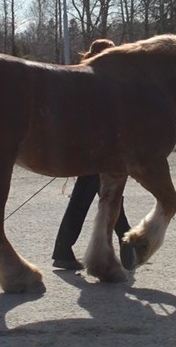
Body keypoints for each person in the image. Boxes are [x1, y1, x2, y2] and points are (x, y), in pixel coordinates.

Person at [52, 39, 137, 271]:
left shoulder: (88, 81)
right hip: (99, 152)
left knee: (103, 196)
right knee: (103, 196)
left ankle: (65, 249)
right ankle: (127, 243)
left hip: (90, 151)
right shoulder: (100, 83)